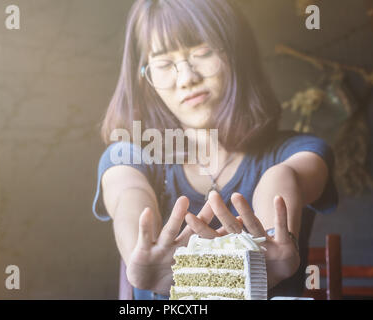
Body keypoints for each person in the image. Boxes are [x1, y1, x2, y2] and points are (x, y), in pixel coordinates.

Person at [92, 0, 338, 300]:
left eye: (202, 53)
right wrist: (139, 263)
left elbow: (283, 178)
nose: (187, 78)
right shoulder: (130, 158)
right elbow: (128, 196)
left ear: (237, 54)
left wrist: (264, 262)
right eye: (164, 64)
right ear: (146, 80)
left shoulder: (299, 152)